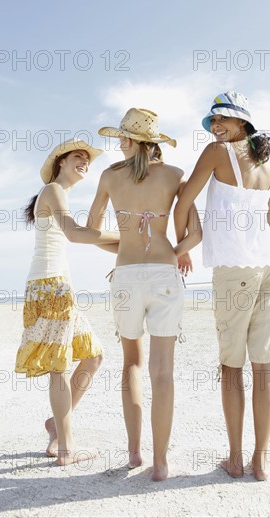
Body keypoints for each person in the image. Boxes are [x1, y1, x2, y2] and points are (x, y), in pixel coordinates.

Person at [174, 91, 270, 481]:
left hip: (234, 270)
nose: (216, 127)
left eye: (223, 120)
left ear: (243, 123)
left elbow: (184, 200)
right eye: (213, 121)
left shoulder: (217, 154)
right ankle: (260, 462)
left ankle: (235, 459)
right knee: (264, 370)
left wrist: (181, 245)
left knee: (231, 367)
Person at [89, 108, 201, 480]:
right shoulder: (174, 176)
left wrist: (123, 255)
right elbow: (196, 235)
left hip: (125, 276)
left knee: (132, 363)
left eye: (122, 138)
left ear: (133, 141)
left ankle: (135, 452)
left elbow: (92, 231)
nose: (118, 144)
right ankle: (161, 462)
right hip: (164, 273)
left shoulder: (109, 177)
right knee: (163, 370)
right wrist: (178, 251)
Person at [15, 138, 119, 466]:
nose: (84, 162)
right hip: (50, 287)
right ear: (60, 162)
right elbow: (77, 234)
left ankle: (55, 425)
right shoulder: (53, 191)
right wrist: (127, 239)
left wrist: (131, 249)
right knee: (59, 366)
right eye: (78, 156)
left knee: (93, 356)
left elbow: (84, 235)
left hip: (57, 287)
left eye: (87, 159)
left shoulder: (60, 195)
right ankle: (65, 448)